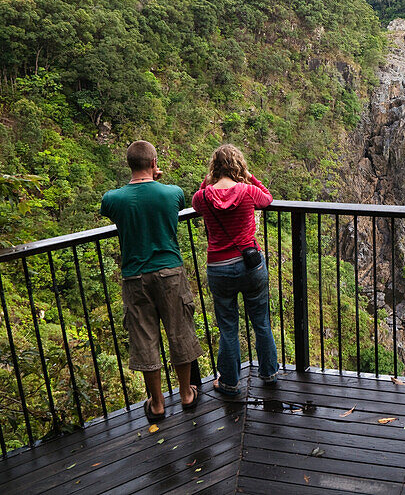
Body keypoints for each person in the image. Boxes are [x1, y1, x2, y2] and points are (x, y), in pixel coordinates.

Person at [100, 140, 201, 421]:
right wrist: (155, 180)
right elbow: (174, 204)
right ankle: (185, 394)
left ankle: (156, 404)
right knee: (179, 331)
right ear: (155, 162)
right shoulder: (172, 193)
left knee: (144, 338)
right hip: (170, 272)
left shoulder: (113, 199)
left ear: (128, 164)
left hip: (134, 276)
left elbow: (115, 204)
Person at [191, 144, 277, 396]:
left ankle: (229, 382)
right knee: (261, 322)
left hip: (219, 268)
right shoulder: (248, 191)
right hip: (250, 264)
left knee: (228, 326)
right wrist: (251, 177)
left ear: (213, 168)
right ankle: (269, 373)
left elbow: (198, 202)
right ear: (238, 165)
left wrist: (207, 182)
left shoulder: (203, 197)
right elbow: (267, 198)